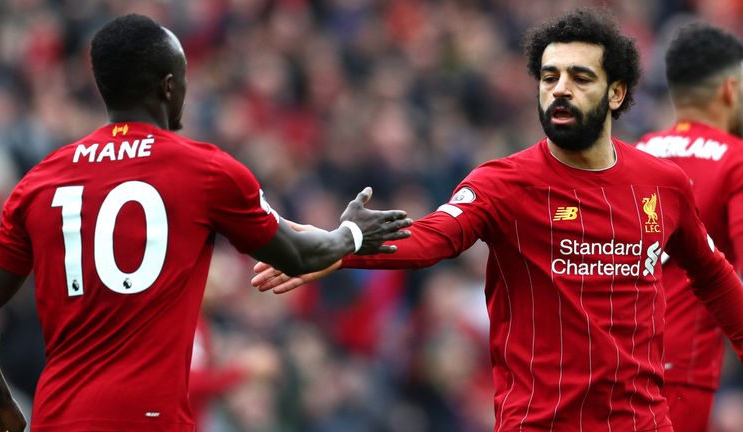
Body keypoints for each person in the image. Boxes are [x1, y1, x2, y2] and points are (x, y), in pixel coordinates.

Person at [252, 8, 743, 431]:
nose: (560, 90)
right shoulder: (503, 183)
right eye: (549, 77)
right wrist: (343, 244)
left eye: (580, 77)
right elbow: (431, 239)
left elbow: (714, 276)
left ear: (617, 94)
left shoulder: (663, 183)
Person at [0, 14, 412, 432]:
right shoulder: (204, 171)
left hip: (59, 418)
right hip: (148, 421)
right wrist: (354, 233)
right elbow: (299, 257)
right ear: (169, 86)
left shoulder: (40, 181)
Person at [633, 23, 743, 432]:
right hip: (680, 372)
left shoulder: (635, 153)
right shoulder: (735, 160)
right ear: (730, 89)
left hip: (609, 362)